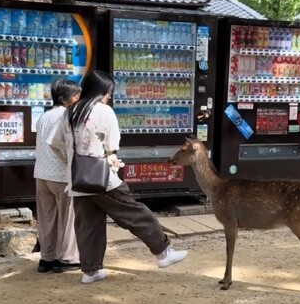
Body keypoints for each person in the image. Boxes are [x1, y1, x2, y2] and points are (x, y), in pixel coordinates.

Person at [50, 70, 187, 284]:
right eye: (108, 93)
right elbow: (112, 145)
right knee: (136, 213)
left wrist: (72, 163)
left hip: (77, 180)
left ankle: (90, 271)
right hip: (102, 178)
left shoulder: (69, 112)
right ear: (100, 91)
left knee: (88, 225)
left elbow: (55, 144)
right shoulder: (104, 111)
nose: (109, 97)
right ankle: (163, 252)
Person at [33, 79, 82, 274]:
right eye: (77, 96)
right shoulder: (68, 115)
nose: (79, 99)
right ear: (67, 99)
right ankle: (68, 258)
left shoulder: (44, 116)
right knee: (68, 218)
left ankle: (47, 258)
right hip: (61, 174)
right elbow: (64, 145)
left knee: (46, 218)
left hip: (41, 174)